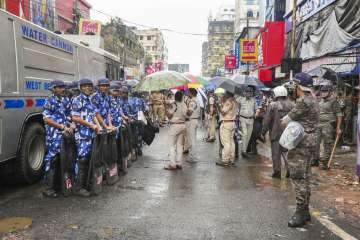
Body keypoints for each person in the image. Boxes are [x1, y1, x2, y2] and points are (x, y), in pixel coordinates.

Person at [281, 73, 319, 228]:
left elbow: (286, 120)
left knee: (298, 178)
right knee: (306, 176)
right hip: (311, 142)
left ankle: (300, 213)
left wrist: (282, 121)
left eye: (295, 86)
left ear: (299, 86)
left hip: (301, 144)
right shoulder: (314, 100)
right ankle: (306, 212)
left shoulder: (303, 101)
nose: (293, 89)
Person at [42, 80, 72, 198]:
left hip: (65, 135)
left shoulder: (65, 100)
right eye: (59, 87)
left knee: (63, 159)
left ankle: (60, 185)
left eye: (62, 87)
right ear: (53, 89)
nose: (62, 89)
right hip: (53, 135)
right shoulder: (49, 101)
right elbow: (47, 119)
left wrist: (72, 124)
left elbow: (69, 115)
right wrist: (62, 126)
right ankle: (48, 188)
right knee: (52, 160)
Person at [71, 79, 101, 197]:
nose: (89, 88)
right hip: (82, 135)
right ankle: (78, 188)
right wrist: (91, 125)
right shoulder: (77, 100)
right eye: (86, 86)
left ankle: (86, 184)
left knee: (89, 159)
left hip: (90, 134)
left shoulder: (90, 100)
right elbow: (75, 118)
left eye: (90, 86)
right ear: (81, 88)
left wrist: (98, 127)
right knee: (82, 160)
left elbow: (93, 115)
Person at [262, 86, 295, 179]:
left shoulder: (272, 105)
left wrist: (263, 132)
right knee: (287, 152)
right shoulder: (292, 104)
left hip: (275, 133)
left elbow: (267, 120)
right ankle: (289, 170)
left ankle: (277, 172)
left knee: (276, 154)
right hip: (288, 133)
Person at [313, 81, 343, 169]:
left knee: (327, 144)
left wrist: (338, 128)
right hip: (318, 124)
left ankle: (325, 163)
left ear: (329, 92)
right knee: (315, 143)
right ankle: (315, 160)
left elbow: (339, 114)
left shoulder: (334, 101)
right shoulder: (320, 101)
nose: (323, 93)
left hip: (328, 124)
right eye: (322, 91)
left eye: (325, 91)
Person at [164, 91, 188, 170]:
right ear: (181, 97)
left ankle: (172, 164)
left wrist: (165, 108)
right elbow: (187, 115)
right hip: (183, 125)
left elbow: (170, 116)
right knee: (180, 145)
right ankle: (179, 163)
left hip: (175, 126)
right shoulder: (184, 104)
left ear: (175, 97)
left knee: (171, 145)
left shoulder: (174, 105)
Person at [217, 91, 237, 167]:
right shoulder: (235, 101)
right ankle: (231, 159)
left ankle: (225, 160)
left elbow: (223, 112)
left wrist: (219, 106)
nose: (224, 94)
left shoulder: (228, 102)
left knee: (226, 143)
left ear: (228, 94)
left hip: (226, 123)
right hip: (232, 123)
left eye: (225, 93)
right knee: (231, 142)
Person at [236, 86, 256, 158]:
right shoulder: (240, 99)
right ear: (245, 93)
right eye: (247, 92)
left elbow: (255, 109)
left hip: (251, 119)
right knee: (245, 134)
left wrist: (255, 115)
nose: (248, 93)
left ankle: (243, 149)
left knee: (248, 136)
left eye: (250, 92)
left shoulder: (253, 100)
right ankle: (244, 151)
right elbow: (237, 107)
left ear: (251, 93)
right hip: (243, 119)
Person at [185, 88, 201, 162]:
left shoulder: (192, 101)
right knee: (193, 139)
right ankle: (193, 155)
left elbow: (189, 113)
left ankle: (193, 157)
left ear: (191, 93)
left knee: (191, 140)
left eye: (189, 93)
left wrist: (185, 111)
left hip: (191, 121)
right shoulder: (196, 100)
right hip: (194, 120)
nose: (188, 94)